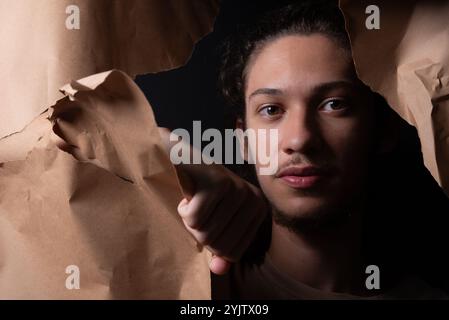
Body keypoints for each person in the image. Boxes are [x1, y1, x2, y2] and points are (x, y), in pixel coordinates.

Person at [160, 1, 449, 298]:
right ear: (243, 141)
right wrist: (159, 155)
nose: (300, 139)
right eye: (271, 109)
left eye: (334, 105)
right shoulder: (192, 290)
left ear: (382, 128)